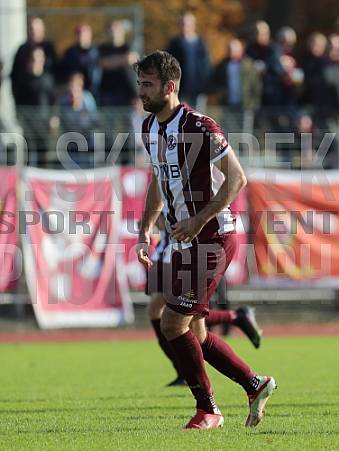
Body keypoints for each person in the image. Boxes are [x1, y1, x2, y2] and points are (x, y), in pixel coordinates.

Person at [135, 50, 276, 430]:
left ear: (169, 86)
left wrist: (199, 219)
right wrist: (145, 227)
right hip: (186, 238)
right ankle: (255, 384)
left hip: (214, 235)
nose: (141, 91)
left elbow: (237, 178)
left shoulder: (199, 125)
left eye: (147, 84)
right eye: (139, 84)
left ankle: (209, 409)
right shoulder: (149, 128)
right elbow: (157, 181)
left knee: (171, 322)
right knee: (194, 330)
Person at [147, 211, 262, 387]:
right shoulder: (163, 185)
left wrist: (162, 220)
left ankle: (195, 380)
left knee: (179, 317)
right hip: (167, 251)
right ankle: (235, 318)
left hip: (177, 252)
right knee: (175, 316)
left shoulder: (193, 190)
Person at [166, 12, 211, 107]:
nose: (185, 27)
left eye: (187, 24)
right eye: (182, 24)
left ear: (194, 25)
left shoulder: (201, 44)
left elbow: (206, 67)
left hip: (199, 90)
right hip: (180, 90)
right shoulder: (174, 44)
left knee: (198, 118)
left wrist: (206, 87)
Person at [60, 24, 101, 97]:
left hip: (94, 90)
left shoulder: (97, 51)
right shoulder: (70, 52)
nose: (82, 36)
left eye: (84, 34)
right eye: (79, 34)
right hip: (74, 92)